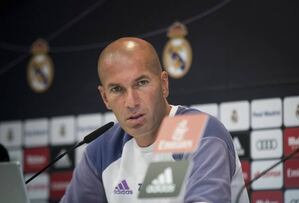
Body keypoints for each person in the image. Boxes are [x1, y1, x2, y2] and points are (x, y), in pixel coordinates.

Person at [60, 37, 249, 203]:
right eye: (117, 89)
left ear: (164, 84)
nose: (131, 102)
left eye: (141, 83)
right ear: (105, 98)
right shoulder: (102, 151)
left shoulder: (198, 131)